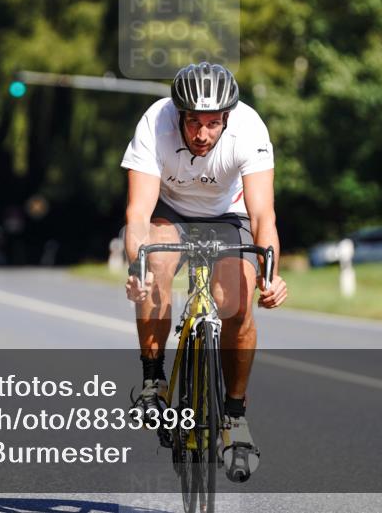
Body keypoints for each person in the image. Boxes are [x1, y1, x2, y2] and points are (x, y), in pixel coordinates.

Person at [122, 61, 288, 483]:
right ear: (179, 114)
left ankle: (234, 414)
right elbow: (138, 213)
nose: (202, 134)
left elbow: (263, 215)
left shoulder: (250, 129)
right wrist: (137, 265)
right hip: (171, 211)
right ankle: (153, 381)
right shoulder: (155, 123)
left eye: (213, 124)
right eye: (194, 122)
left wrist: (270, 272)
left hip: (230, 216)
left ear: (227, 118)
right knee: (155, 264)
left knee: (236, 304)